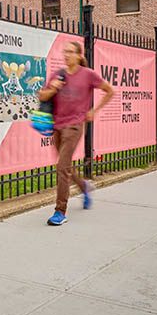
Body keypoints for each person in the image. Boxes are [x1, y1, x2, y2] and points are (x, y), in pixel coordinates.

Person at [38, 41, 113, 226]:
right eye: (65, 52)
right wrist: (54, 87)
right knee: (66, 166)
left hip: (75, 126)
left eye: (71, 52)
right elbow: (42, 97)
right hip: (57, 125)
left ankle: (60, 211)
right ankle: (84, 187)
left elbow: (110, 91)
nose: (67, 55)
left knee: (62, 167)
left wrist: (95, 110)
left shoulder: (88, 75)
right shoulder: (59, 74)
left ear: (79, 55)